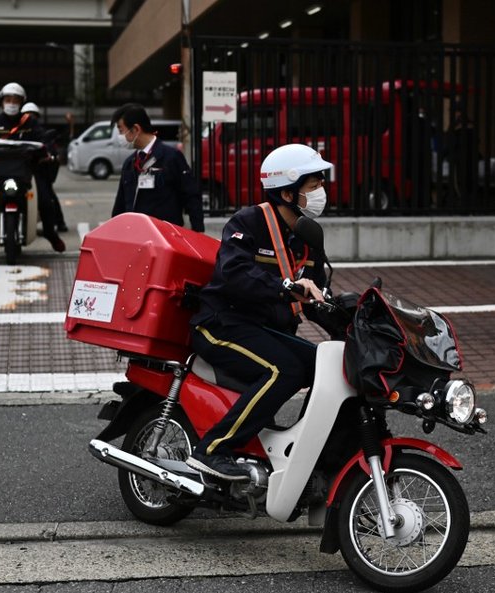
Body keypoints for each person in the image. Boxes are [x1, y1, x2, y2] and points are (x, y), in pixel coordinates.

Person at [185, 143, 332, 481]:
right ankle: (213, 450)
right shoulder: (248, 222)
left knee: (321, 364)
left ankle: (298, 448)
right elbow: (233, 273)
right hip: (222, 324)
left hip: (264, 330)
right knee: (285, 370)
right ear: (288, 192)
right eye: (314, 185)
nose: (321, 192)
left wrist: (349, 323)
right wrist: (286, 286)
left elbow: (316, 296)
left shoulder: (308, 236)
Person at [0, 83, 65, 252]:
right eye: (8, 99)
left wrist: (50, 152)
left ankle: (50, 233)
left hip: (27, 170)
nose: (12, 103)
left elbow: (44, 139)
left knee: (46, 199)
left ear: (22, 102)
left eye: (16, 100)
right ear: (2, 102)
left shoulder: (29, 122)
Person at [110, 103, 204, 232]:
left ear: (136, 129)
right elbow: (120, 205)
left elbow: (191, 195)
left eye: (121, 130)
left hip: (165, 236)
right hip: (136, 235)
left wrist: (197, 230)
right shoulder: (130, 163)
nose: (120, 137)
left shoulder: (171, 157)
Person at [20, 102, 68, 234]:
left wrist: (49, 155)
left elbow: (51, 147)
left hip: (39, 170)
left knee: (48, 195)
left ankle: (59, 223)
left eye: (32, 115)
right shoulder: (17, 132)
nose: (29, 118)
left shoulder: (41, 133)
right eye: (26, 115)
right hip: (21, 170)